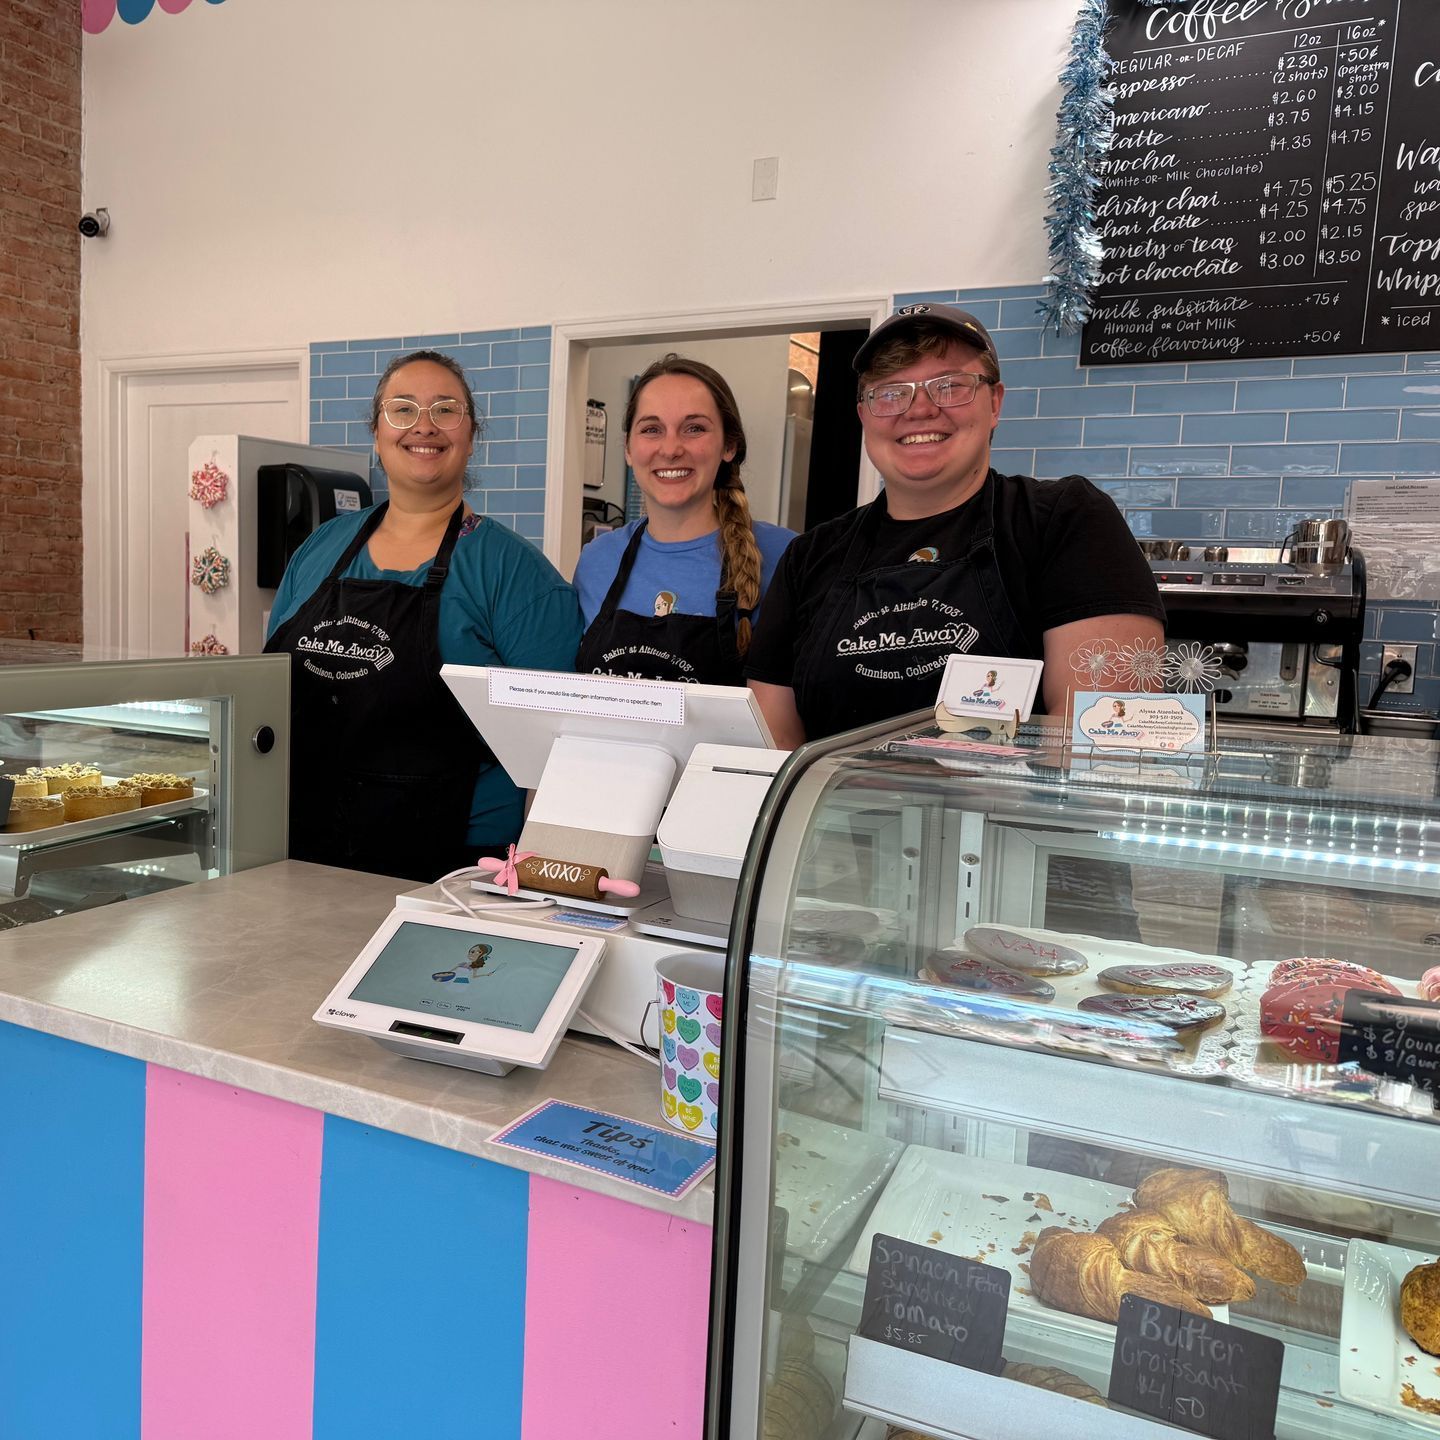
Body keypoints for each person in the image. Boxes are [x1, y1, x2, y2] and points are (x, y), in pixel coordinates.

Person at [746, 304, 1164, 746]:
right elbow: (777, 752)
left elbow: (1105, 740)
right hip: (836, 817)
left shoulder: (1065, 519)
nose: (920, 409)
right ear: (864, 415)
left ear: (995, 403)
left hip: (1015, 815)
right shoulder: (810, 556)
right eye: (890, 392)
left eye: (949, 386)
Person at [265, 349, 583, 881]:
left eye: (445, 410)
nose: (424, 426)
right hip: (303, 848)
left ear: (471, 433)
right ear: (376, 431)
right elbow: (268, 693)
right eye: (404, 409)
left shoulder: (512, 571)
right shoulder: (321, 548)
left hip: (453, 865)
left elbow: (558, 746)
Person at [573, 354, 794, 686]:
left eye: (694, 428)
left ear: (729, 445)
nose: (671, 448)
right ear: (629, 449)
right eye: (651, 429)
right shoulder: (597, 560)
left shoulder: (785, 555)